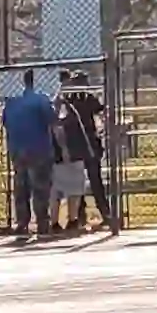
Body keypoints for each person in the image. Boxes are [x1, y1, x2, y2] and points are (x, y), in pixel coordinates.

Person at [0, 64, 61, 244]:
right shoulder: (41, 99)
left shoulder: (12, 99)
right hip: (38, 148)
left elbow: (5, 121)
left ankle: (22, 223)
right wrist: (56, 106)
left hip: (17, 148)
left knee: (21, 186)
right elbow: (52, 120)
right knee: (40, 187)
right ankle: (42, 223)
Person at [54, 73, 115, 234]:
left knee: (80, 183)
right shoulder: (86, 99)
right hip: (88, 145)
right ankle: (101, 214)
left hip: (79, 145)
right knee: (93, 182)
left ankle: (81, 217)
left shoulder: (72, 100)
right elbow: (100, 112)